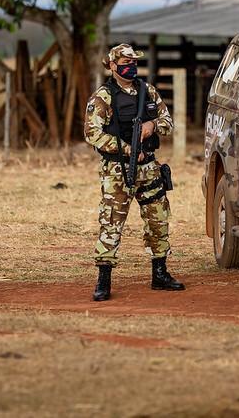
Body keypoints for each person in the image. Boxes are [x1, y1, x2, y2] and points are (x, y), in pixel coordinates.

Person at [84, 43, 185, 301]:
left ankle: (160, 273)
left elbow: (168, 122)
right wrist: (128, 149)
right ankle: (103, 279)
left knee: (158, 219)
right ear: (113, 65)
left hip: (149, 168)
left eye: (134, 63)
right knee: (111, 224)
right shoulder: (103, 97)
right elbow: (92, 134)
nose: (131, 67)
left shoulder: (147, 91)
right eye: (125, 63)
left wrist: (153, 124)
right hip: (118, 170)